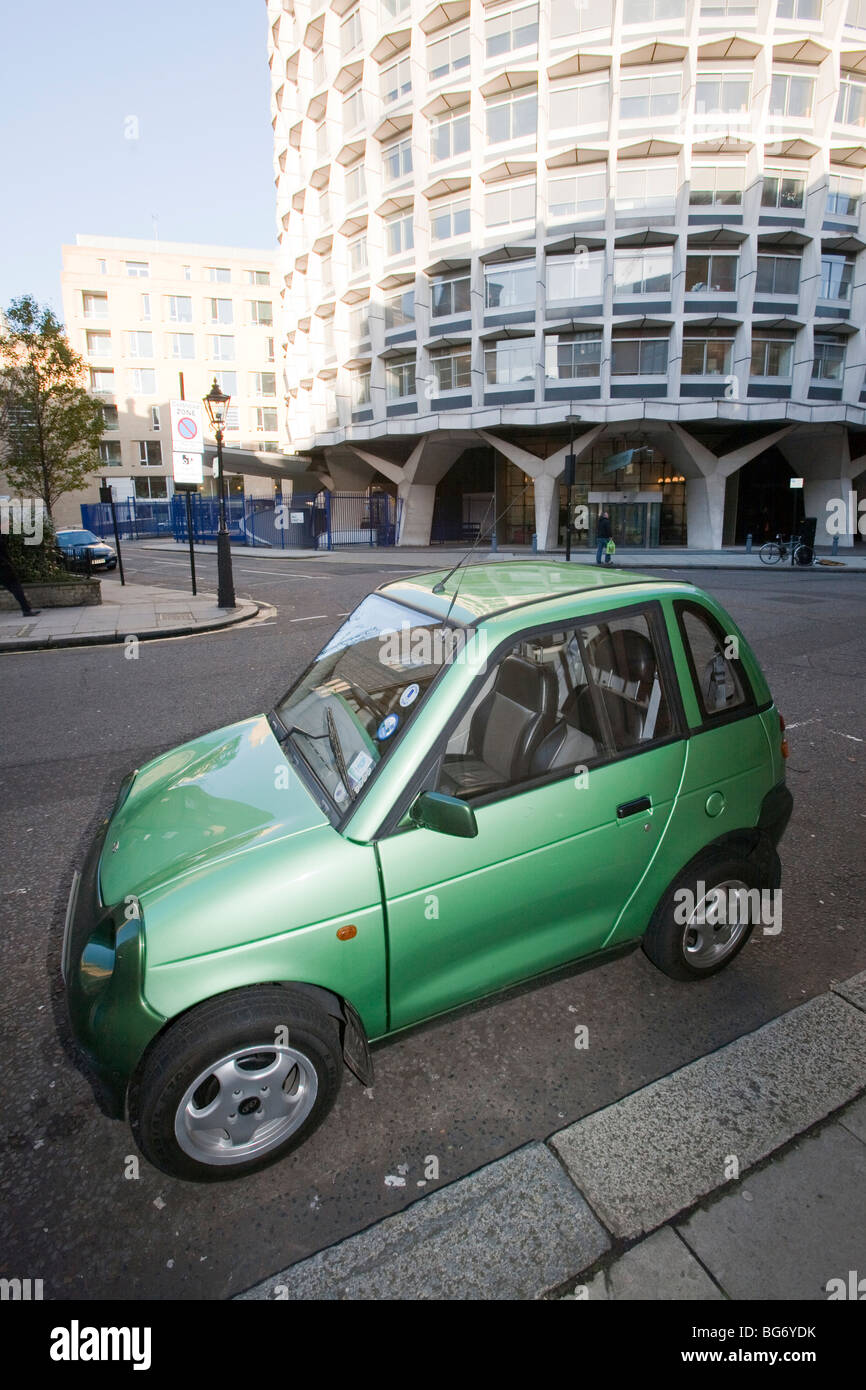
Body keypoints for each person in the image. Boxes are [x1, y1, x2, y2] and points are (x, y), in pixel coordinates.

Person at [0, 534, 41, 616]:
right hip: (3, 567)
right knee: (15, 587)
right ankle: (26, 609)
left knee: (15, 588)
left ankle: (26, 607)